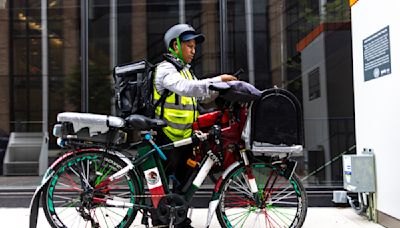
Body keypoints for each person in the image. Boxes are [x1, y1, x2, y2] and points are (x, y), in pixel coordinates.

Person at [152, 23, 237, 227]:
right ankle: (160, 220)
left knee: (184, 181)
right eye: (189, 46)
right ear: (175, 46)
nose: (193, 50)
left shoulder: (187, 71)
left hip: (184, 136)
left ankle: (179, 220)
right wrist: (216, 80)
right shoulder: (166, 69)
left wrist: (223, 89)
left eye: (194, 47)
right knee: (162, 186)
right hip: (167, 135)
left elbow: (200, 97)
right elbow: (185, 88)